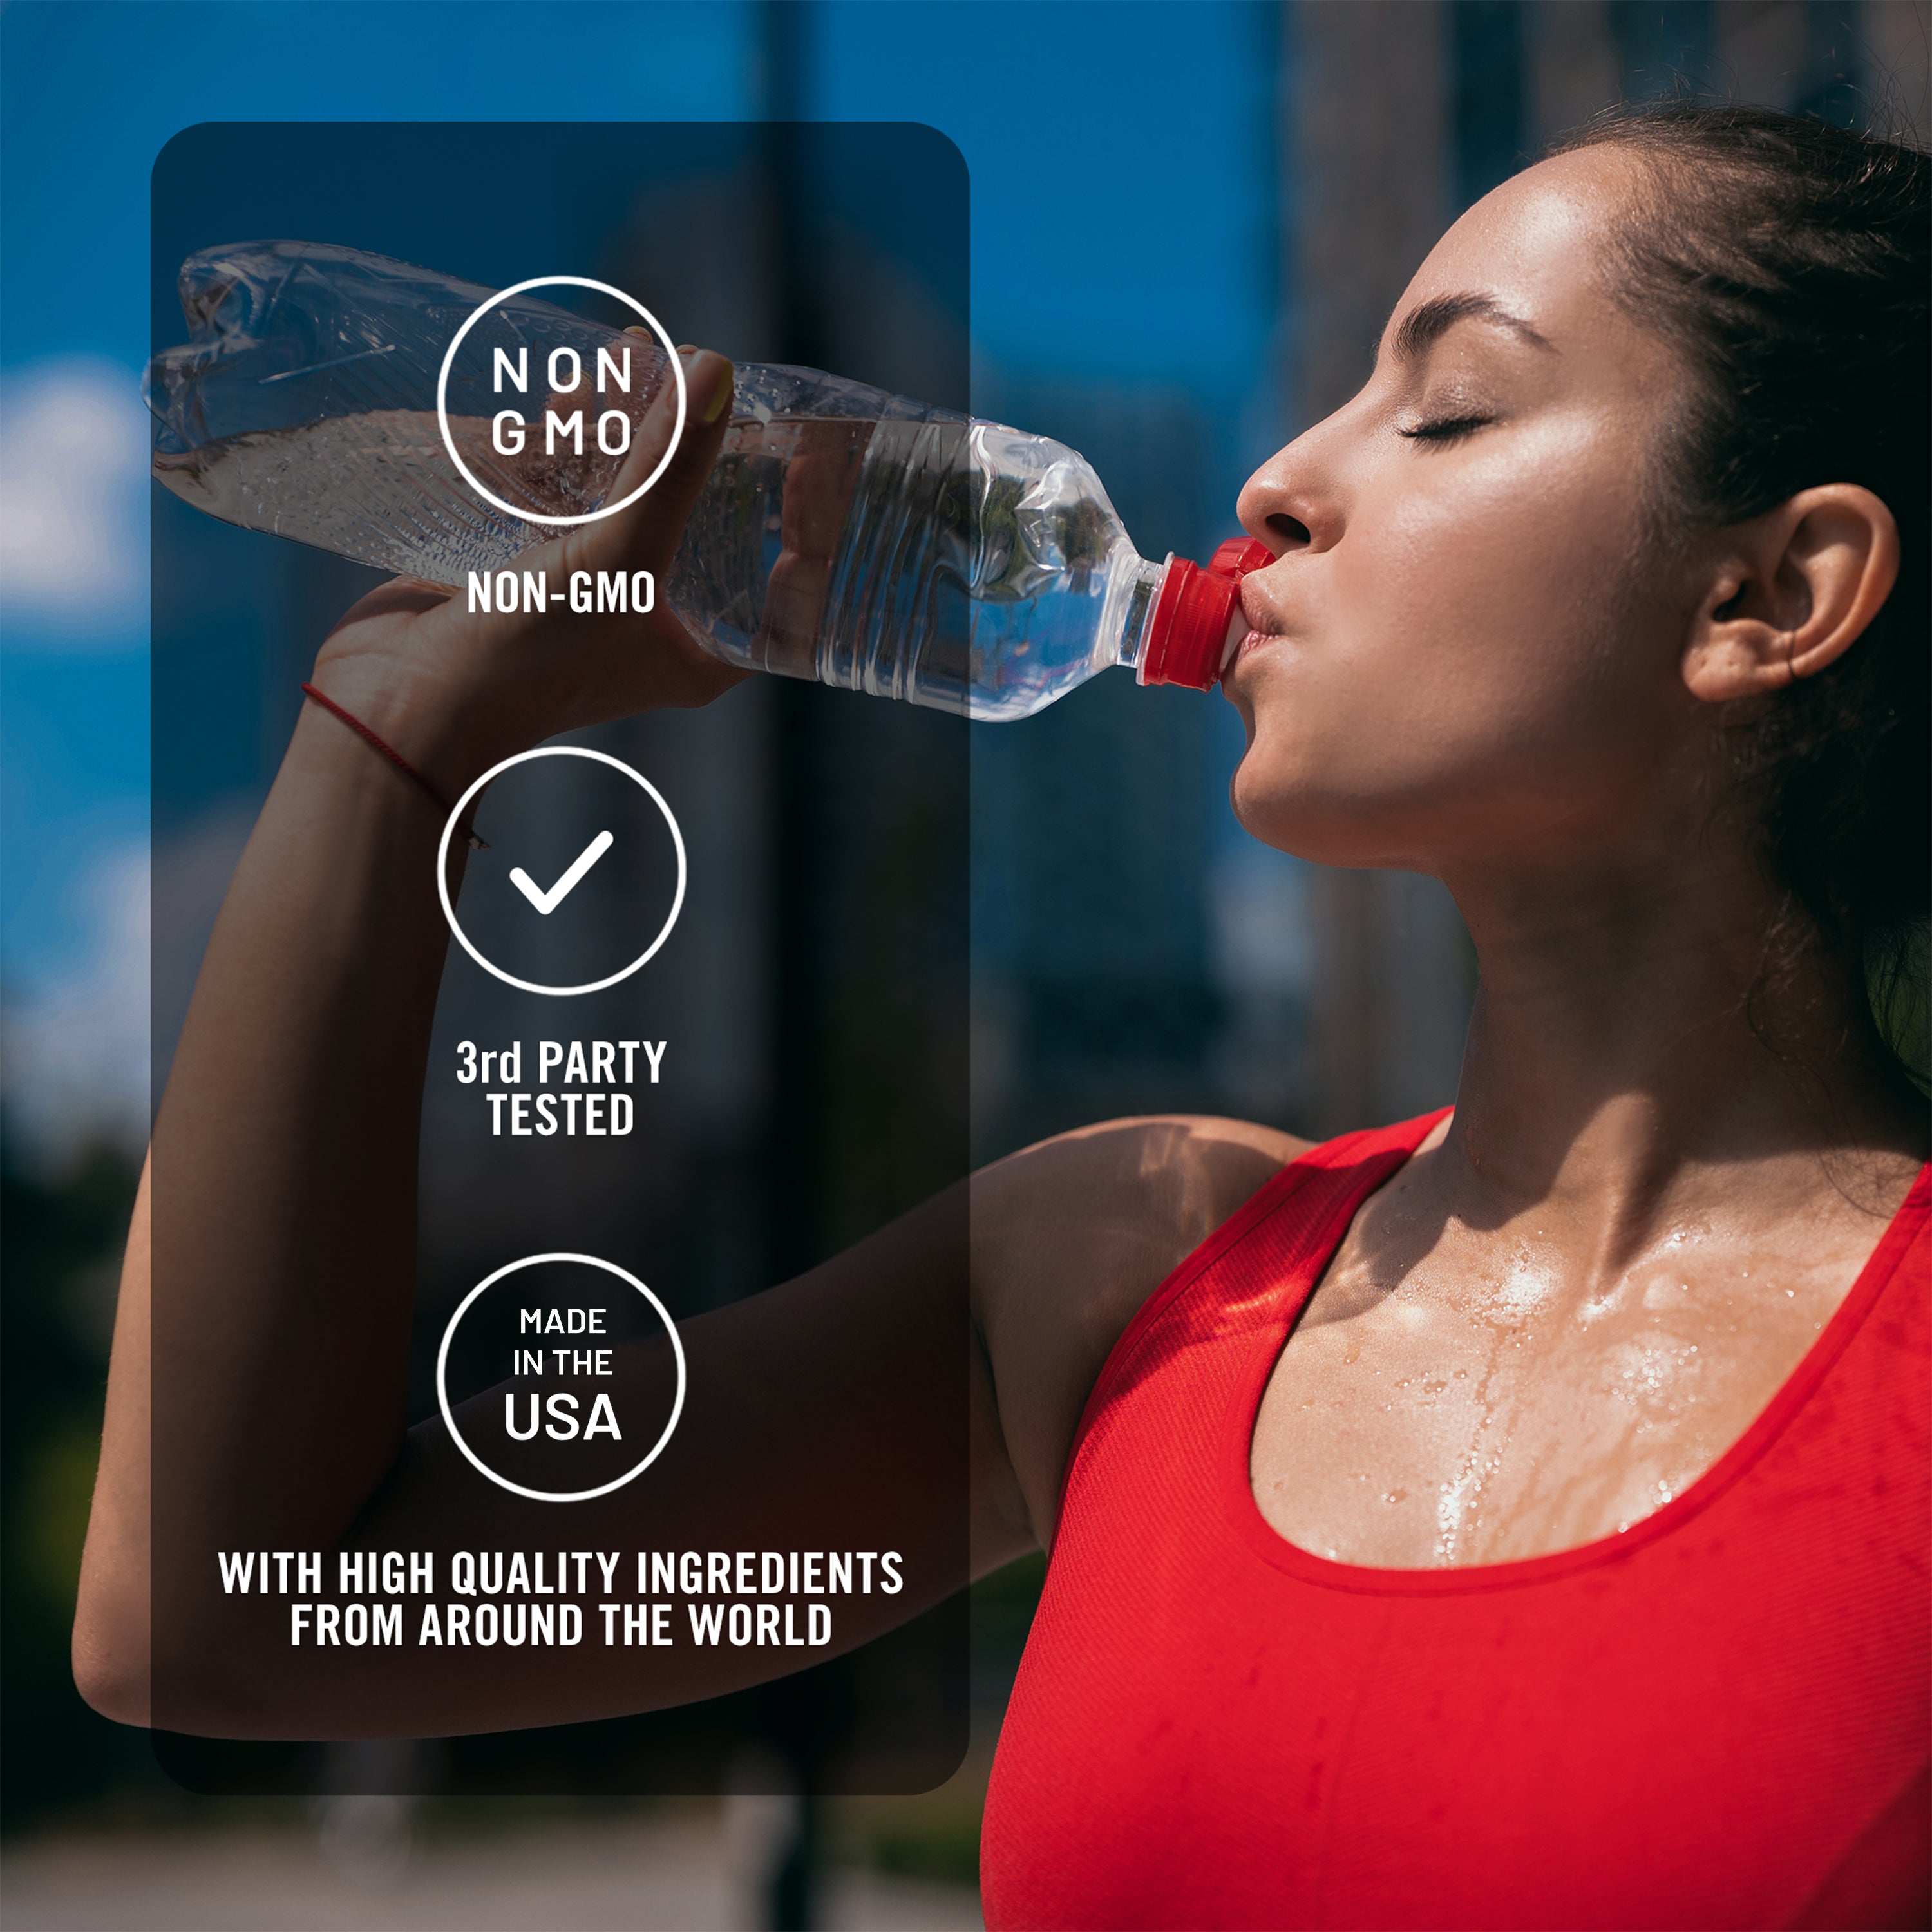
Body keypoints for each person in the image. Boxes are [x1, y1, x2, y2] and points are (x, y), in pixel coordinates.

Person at [76, 101, 1927, 1928]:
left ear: (1767, 592)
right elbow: (226, 1620)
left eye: (1449, 407)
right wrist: (397, 739)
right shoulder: (1135, 1272)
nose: (1275, 478)